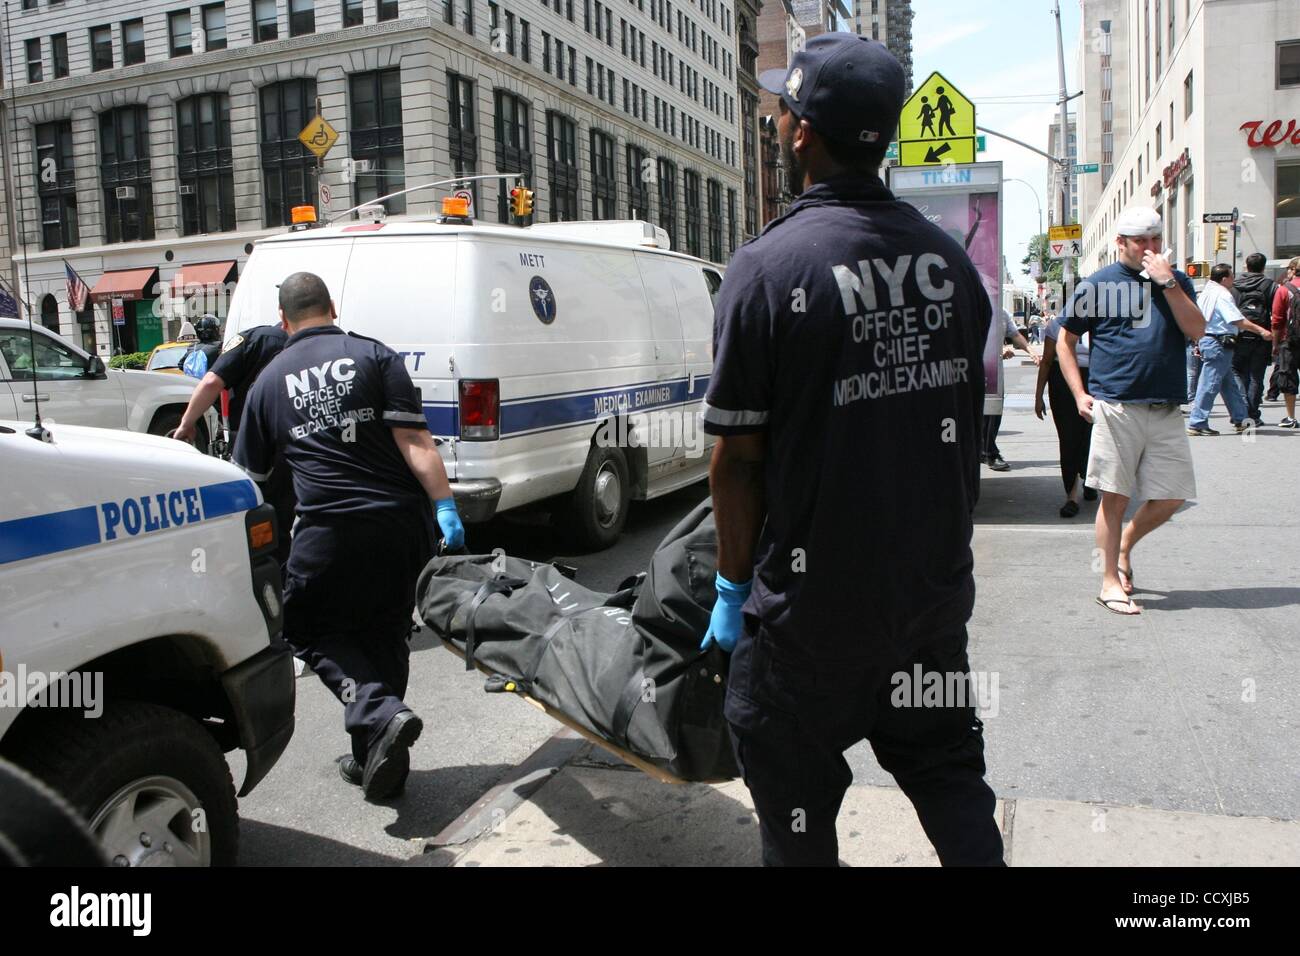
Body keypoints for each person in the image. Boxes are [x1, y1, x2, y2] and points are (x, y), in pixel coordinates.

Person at [701, 34, 1003, 867]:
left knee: (792, 792)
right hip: (929, 606)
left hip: (809, 623)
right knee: (949, 775)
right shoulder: (951, 264)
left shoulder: (763, 271)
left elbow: (737, 457)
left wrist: (731, 585)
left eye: (787, 111)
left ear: (800, 132)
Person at [234, 272, 465, 800]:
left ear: (284, 321)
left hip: (330, 530)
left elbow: (251, 480)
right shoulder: (376, 355)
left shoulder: (268, 382)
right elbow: (414, 439)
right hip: (403, 526)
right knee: (384, 631)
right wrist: (446, 507)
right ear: (332, 308)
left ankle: (380, 713)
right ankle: (379, 758)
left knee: (303, 627)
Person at [1057, 207, 1205, 616]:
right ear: (1120, 243)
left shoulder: (1177, 281)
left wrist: (1168, 283)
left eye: (1156, 239)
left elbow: (1197, 330)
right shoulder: (1098, 285)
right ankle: (1109, 583)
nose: (1150, 248)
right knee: (1114, 498)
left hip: (1166, 407)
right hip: (1116, 405)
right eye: (1141, 240)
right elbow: (1064, 342)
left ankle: (1124, 545)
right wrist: (1078, 394)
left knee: (1173, 494)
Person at [175, 318, 293, 565]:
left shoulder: (251, 339)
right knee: (285, 515)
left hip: (252, 440)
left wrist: (187, 424)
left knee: (251, 512)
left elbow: (211, 382)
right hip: (295, 438)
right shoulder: (304, 344)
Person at [1187, 265, 1265, 436]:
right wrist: (1261, 330)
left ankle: (1241, 419)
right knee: (1210, 384)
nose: (1234, 279)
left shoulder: (1207, 292)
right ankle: (1198, 422)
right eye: (1232, 276)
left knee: (1227, 384)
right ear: (1224, 279)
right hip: (1218, 342)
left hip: (1209, 340)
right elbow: (1236, 319)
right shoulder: (1222, 294)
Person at [1034, 314, 1095, 517]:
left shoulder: (1102, 319)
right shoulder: (1057, 323)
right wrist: (1038, 396)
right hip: (1062, 381)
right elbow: (1047, 360)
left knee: (1092, 436)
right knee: (1068, 438)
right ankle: (1071, 495)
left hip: (1095, 379)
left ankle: (1089, 478)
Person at [983, 310, 1040, 471]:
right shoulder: (971, 303)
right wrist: (998, 351)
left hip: (994, 372)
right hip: (974, 368)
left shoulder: (1001, 313)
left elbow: (1015, 335)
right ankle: (986, 452)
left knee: (994, 413)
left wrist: (1031, 351)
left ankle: (988, 451)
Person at [1231, 254, 1278, 425]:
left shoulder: (1235, 286)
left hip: (1239, 334)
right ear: (1263, 267)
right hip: (1261, 335)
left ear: (1246, 266)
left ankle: (1240, 407)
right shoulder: (1270, 286)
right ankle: (1252, 414)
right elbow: (1276, 314)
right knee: (1256, 376)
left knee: (1236, 371)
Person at [1270, 257, 1300, 428]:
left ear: (1293, 270)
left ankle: (1291, 417)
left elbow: (1277, 319)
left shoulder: (1284, 290)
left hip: (1290, 341)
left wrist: (1275, 343)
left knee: (1288, 377)